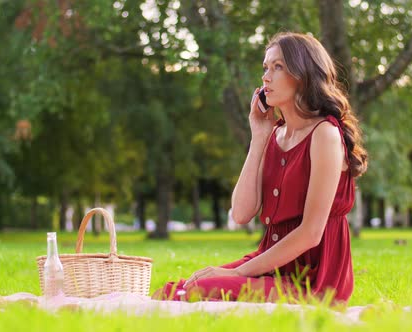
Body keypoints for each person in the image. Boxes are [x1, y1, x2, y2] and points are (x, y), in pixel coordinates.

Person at [153, 32, 367, 305]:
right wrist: (258, 138)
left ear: (303, 74)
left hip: (314, 279)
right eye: (266, 67)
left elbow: (311, 233)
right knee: (179, 288)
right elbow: (241, 213)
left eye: (278, 67)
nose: (266, 77)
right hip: (272, 263)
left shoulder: (325, 134)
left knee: (199, 291)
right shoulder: (275, 135)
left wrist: (237, 274)